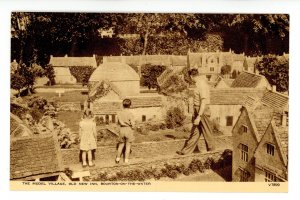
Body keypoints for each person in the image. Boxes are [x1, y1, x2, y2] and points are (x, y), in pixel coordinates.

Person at [177, 68, 214, 155]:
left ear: (191, 76)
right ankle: (186, 152)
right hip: (198, 110)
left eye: (189, 77)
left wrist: (199, 116)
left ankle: (213, 153)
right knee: (195, 132)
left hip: (203, 111)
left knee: (207, 132)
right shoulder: (198, 84)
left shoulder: (202, 85)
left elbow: (204, 101)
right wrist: (195, 112)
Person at [115, 99, 135, 164]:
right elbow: (133, 124)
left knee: (121, 145)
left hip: (122, 129)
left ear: (123, 105)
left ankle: (117, 159)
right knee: (128, 146)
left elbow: (117, 122)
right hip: (128, 129)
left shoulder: (119, 113)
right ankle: (126, 160)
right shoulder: (130, 114)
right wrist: (132, 126)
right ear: (130, 105)